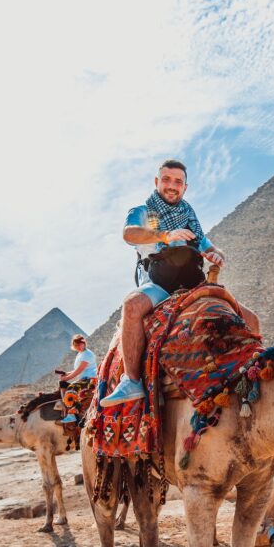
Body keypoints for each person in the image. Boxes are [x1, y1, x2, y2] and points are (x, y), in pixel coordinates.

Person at [100, 159, 226, 408]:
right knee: (133, 305)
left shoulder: (190, 219)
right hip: (159, 282)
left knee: (237, 312)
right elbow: (130, 233)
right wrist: (164, 235)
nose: (172, 185)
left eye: (178, 181)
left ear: (185, 188)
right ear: (157, 182)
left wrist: (216, 254)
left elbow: (208, 246)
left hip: (193, 282)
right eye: (166, 180)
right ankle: (133, 381)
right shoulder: (143, 212)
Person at [59, 335, 97, 424]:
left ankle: (72, 414)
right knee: (63, 384)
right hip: (84, 378)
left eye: (80, 344)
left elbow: (80, 370)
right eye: (76, 345)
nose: (78, 347)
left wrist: (67, 377)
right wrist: (67, 374)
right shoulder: (81, 354)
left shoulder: (87, 354)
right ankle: (67, 406)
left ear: (84, 343)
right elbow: (77, 369)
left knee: (72, 388)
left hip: (90, 379)